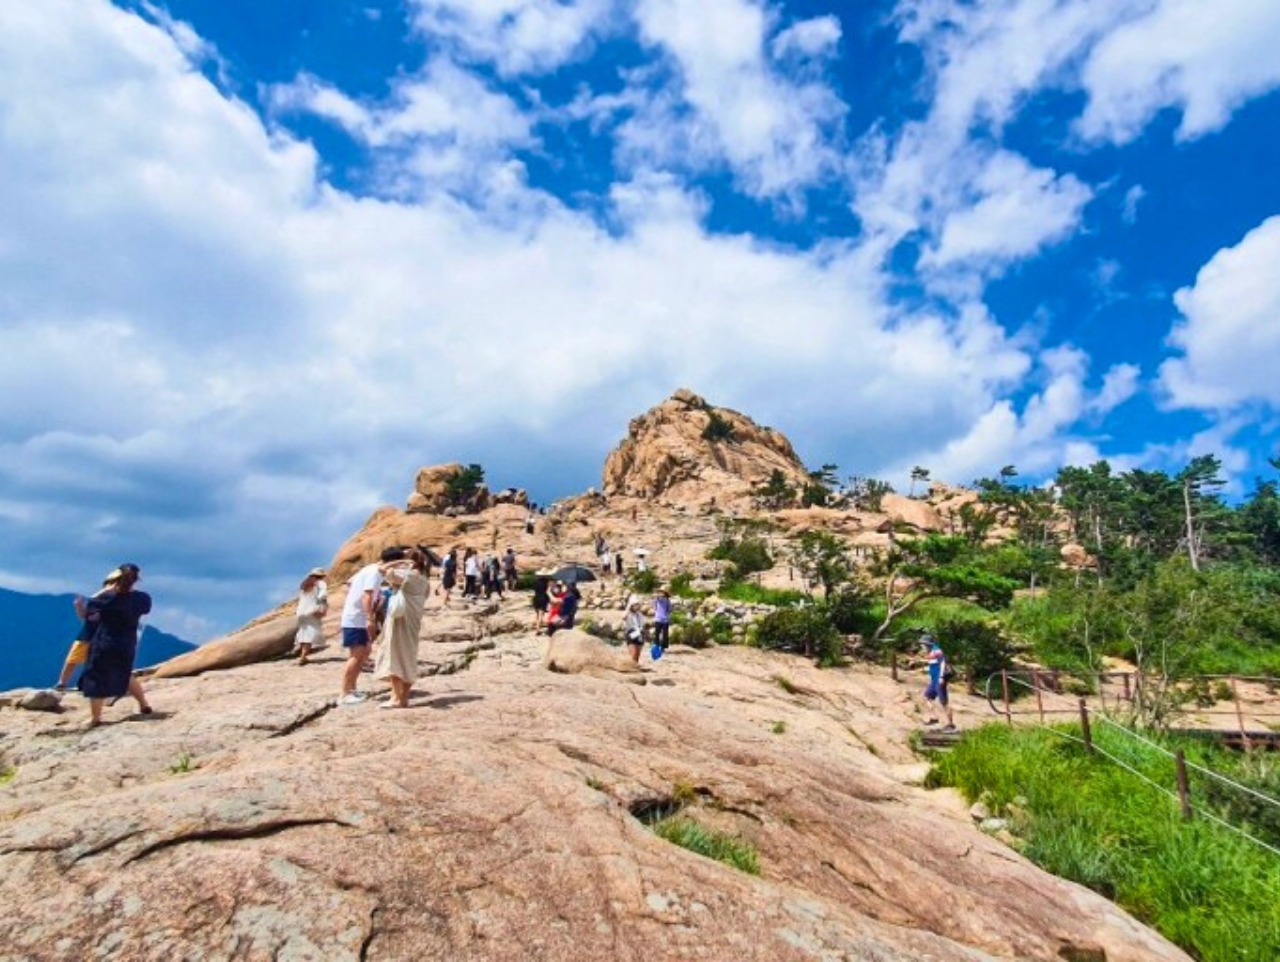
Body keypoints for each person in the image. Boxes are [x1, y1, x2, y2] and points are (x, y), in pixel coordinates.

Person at [78, 563, 153, 727]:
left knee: (96, 677)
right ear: (136, 579)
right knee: (125, 673)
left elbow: (90, 608)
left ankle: (95, 719)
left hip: (105, 641)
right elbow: (146, 610)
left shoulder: (107, 598)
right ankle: (144, 705)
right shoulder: (143, 598)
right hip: (127, 642)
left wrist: (105, 591)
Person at [374, 549, 429, 709]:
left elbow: (380, 567)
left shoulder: (406, 575)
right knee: (408, 655)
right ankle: (401, 697)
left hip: (400, 618)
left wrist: (400, 562)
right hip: (414, 618)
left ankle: (397, 698)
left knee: (394, 654)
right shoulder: (424, 579)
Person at [55, 571, 120, 691]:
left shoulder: (117, 602)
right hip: (86, 634)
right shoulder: (95, 600)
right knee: (72, 659)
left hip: (103, 637)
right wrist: (79, 607)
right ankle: (62, 682)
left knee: (98, 663)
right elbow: (85, 617)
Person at [338, 558, 383, 705]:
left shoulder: (371, 570)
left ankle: (352, 689)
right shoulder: (374, 572)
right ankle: (344, 694)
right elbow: (367, 596)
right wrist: (370, 619)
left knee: (365, 651)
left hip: (357, 618)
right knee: (356, 656)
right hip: (356, 619)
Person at [920, 632, 956, 731]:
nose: (921, 646)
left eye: (922, 644)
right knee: (927, 697)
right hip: (934, 680)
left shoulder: (937, 650)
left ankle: (951, 724)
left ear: (927, 643)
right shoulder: (931, 652)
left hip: (940, 679)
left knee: (944, 702)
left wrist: (941, 677)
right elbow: (934, 665)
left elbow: (942, 663)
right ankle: (934, 718)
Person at [294, 568, 328, 665]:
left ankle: (302, 653)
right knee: (310, 633)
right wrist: (322, 608)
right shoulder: (320, 583)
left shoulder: (304, 584)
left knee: (303, 632)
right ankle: (303, 656)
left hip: (300, 612)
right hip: (311, 611)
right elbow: (323, 596)